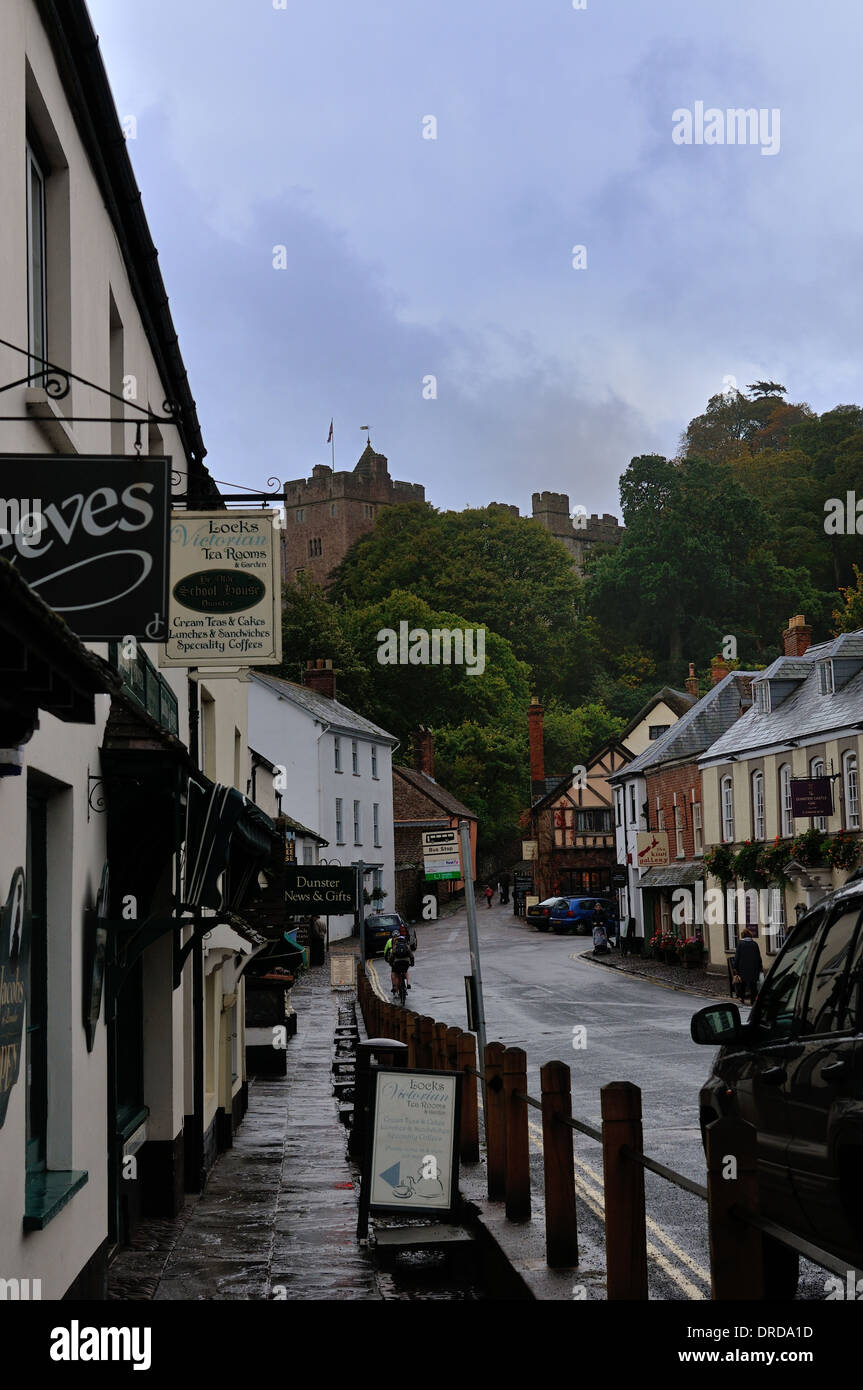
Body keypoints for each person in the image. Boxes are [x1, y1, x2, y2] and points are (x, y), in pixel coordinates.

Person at [732, 927, 763, 1006]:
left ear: (743, 936)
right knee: (753, 985)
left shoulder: (740, 944)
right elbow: (758, 957)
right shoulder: (755, 944)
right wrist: (760, 968)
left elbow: (737, 957)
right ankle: (753, 1000)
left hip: (743, 968)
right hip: (754, 968)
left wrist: (735, 966)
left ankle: (741, 998)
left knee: (743, 984)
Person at [384, 926, 414, 993]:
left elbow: (386, 952)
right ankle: (408, 983)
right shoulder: (404, 941)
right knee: (406, 970)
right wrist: (412, 963)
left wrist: (389, 962)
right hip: (406, 961)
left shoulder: (390, 942)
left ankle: (395, 987)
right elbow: (410, 954)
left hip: (396, 961)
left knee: (395, 973)